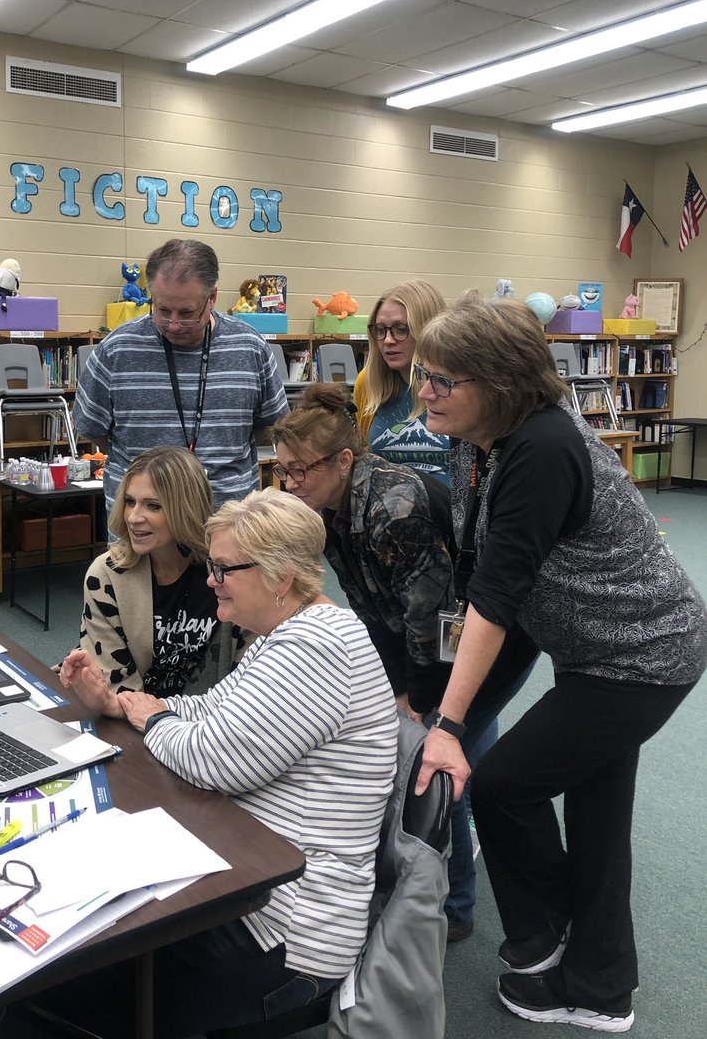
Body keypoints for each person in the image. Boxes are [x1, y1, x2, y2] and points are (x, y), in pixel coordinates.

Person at [1, 489, 399, 1039]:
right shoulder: (289, 633)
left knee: (44, 986)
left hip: (284, 932)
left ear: (280, 578)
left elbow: (212, 758)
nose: (210, 579)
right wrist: (122, 705)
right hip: (249, 876)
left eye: (223, 569)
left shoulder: (315, 649)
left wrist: (156, 722)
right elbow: (212, 710)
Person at [412, 293, 707, 1032]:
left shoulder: (541, 448)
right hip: (596, 652)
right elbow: (495, 586)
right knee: (599, 817)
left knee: (505, 784)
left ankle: (547, 938)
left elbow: (497, 595)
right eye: (425, 372)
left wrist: (450, 721)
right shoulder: (487, 441)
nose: (424, 389)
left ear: (499, 382)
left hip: (639, 656)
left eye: (444, 379)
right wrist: (460, 704)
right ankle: (602, 985)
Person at [272, 382, 537, 943]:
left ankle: (456, 908)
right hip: (435, 638)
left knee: (433, 765)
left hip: (483, 642)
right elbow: (371, 606)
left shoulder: (394, 508)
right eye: (283, 471)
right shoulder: (329, 507)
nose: (290, 484)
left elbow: (427, 619)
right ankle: (457, 865)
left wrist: (417, 700)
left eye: (300, 471)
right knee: (454, 755)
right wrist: (393, 686)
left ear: (344, 460)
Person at [73, 238, 289, 515]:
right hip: (140, 529)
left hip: (227, 525)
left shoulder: (250, 347)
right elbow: (93, 429)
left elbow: (269, 424)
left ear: (212, 297)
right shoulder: (116, 349)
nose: (173, 324)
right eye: (162, 310)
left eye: (186, 313)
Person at [62, 446, 248, 701]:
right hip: (129, 717)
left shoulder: (231, 568)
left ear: (186, 508)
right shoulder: (107, 574)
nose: (134, 517)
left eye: (153, 506)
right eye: (130, 502)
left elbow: (251, 673)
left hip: (214, 720)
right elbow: (115, 684)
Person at [353, 280, 450, 479]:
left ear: (427, 330)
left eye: (401, 329)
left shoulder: (455, 384)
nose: (388, 340)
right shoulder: (368, 383)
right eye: (381, 330)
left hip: (451, 508)